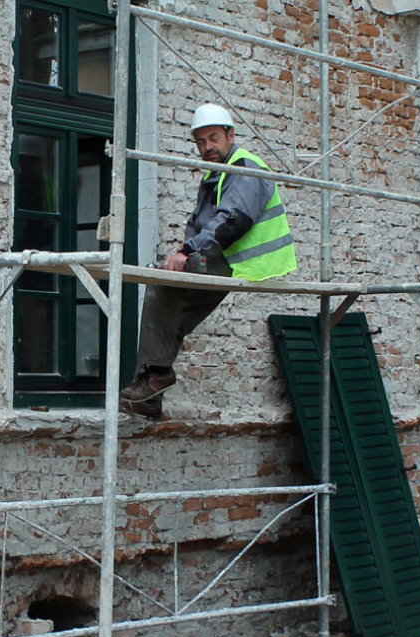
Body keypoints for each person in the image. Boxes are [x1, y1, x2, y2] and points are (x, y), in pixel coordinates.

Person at [119, 102, 297, 418]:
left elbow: (233, 221)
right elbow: (199, 224)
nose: (207, 147)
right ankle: (148, 395)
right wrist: (182, 251)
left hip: (242, 260)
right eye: (201, 142)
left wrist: (186, 254)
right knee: (173, 314)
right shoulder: (215, 175)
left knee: (165, 284)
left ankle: (156, 374)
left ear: (231, 135)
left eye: (214, 138)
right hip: (228, 257)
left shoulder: (245, 167)